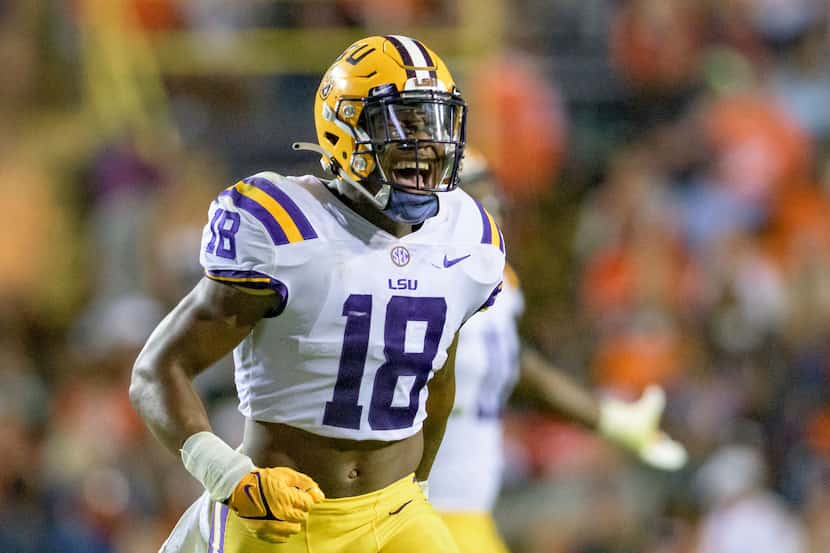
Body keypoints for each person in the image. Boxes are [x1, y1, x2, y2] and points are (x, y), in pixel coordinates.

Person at [129, 35, 504, 553]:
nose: (425, 148)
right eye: (400, 126)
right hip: (284, 514)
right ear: (346, 131)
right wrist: (229, 476)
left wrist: (418, 484)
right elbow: (157, 370)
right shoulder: (284, 227)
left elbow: (436, 376)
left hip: (398, 514)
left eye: (434, 125)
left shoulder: (468, 233)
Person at [428, 153, 687, 553]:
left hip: (469, 515)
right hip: (424, 513)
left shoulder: (499, 288)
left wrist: (608, 418)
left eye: (496, 204)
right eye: (480, 204)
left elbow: (518, 365)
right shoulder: (419, 290)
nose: (494, 216)